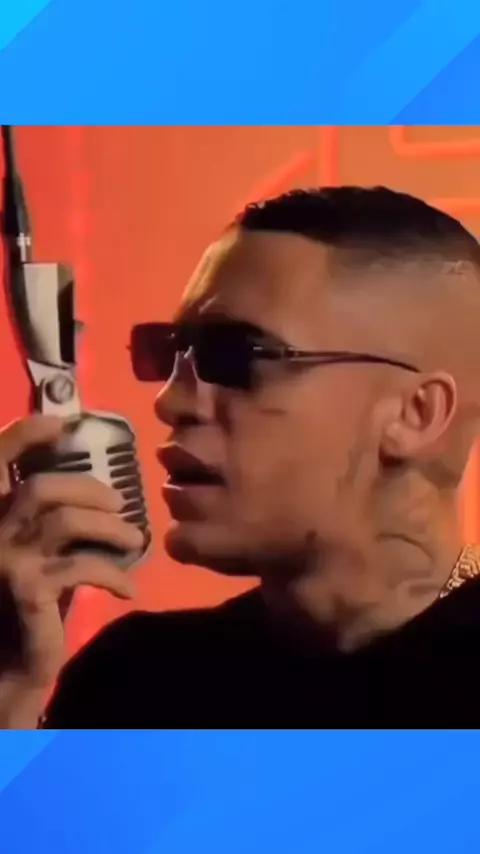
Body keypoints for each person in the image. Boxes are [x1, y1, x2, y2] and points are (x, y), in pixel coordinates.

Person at [1, 185, 480, 729]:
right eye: (167, 351)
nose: (170, 401)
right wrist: (11, 690)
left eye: (235, 355)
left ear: (415, 415)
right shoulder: (137, 683)